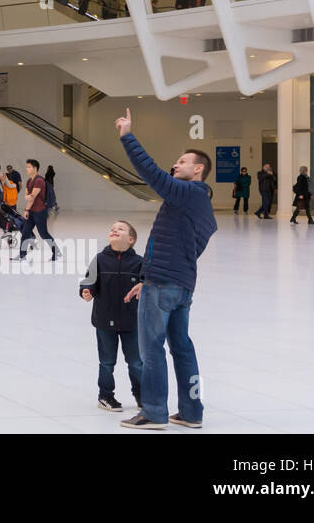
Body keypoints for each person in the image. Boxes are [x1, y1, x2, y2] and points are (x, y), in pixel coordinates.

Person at [114, 107, 216, 430]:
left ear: (198, 170)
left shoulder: (185, 193)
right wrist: (148, 279)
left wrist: (128, 136)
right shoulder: (201, 206)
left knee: (151, 347)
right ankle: (191, 412)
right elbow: (184, 248)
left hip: (163, 284)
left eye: (183, 162)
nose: (176, 164)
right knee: (182, 346)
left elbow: (152, 174)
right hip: (180, 286)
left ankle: (154, 412)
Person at [79, 220, 143, 412]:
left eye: (120, 229)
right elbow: (88, 281)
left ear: (130, 239)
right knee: (107, 362)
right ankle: (105, 396)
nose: (115, 230)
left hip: (132, 322)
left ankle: (142, 395)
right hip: (104, 321)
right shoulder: (99, 259)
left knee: (136, 363)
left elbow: (146, 282)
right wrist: (86, 290)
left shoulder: (139, 262)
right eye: (112, 229)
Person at [16, 158, 59, 260]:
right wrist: (28, 202)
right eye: (26, 167)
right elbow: (27, 196)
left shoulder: (39, 180)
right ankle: (22, 255)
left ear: (35, 168)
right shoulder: (29, 181)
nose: (27, 169)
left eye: (29, 167)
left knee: (44, 234)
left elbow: (31, 197)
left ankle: (56, 252)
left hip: (40, 212)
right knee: (25, 233)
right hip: (31, 211)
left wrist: (26, 209)